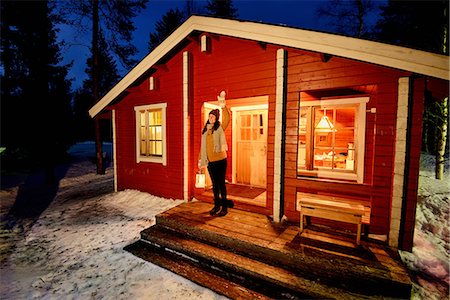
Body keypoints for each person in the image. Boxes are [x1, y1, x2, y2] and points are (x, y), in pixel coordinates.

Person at [198, 92, 233, 216]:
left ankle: (224, 207)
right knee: (214, 185)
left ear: (216, 118)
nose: (211, 118)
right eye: (210, 116)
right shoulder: (205, 130)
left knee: (221, 184)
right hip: (210, 162)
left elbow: (228, 118)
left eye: (213, 116)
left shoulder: (219, 128)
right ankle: (216, 206)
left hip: (220, 161)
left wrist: (222, 105)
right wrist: (200, 160)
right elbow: (203, 147)